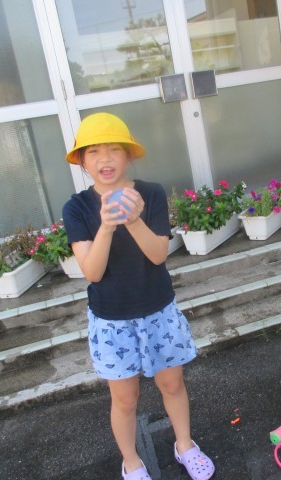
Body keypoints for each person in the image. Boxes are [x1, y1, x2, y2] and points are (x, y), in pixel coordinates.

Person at [62, 113, 215, 479]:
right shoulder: (77, 208)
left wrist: (132, 219)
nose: (105, 159)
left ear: (128, 154)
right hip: (111, 319)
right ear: (82, 161)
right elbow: (93, 271)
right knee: (124, 399)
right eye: (94, 151)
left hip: (158, 309)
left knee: (172, 384)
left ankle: (185, 446)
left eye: (114, 149)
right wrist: (107, 225)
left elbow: (158, 255)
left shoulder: (151, 193)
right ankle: (131, 462)